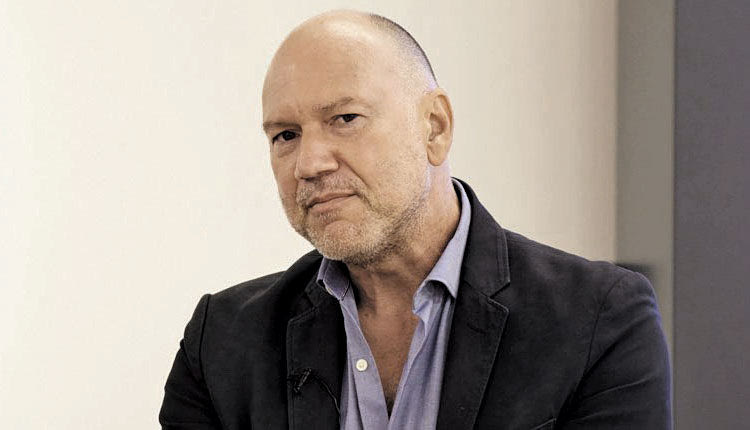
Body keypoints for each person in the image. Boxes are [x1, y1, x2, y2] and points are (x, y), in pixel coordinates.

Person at [159, 10, 671, 430]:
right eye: (285, 135)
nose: (309, 163)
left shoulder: (598, 321)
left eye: (345, 119)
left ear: (435, 128)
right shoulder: (220, 342)